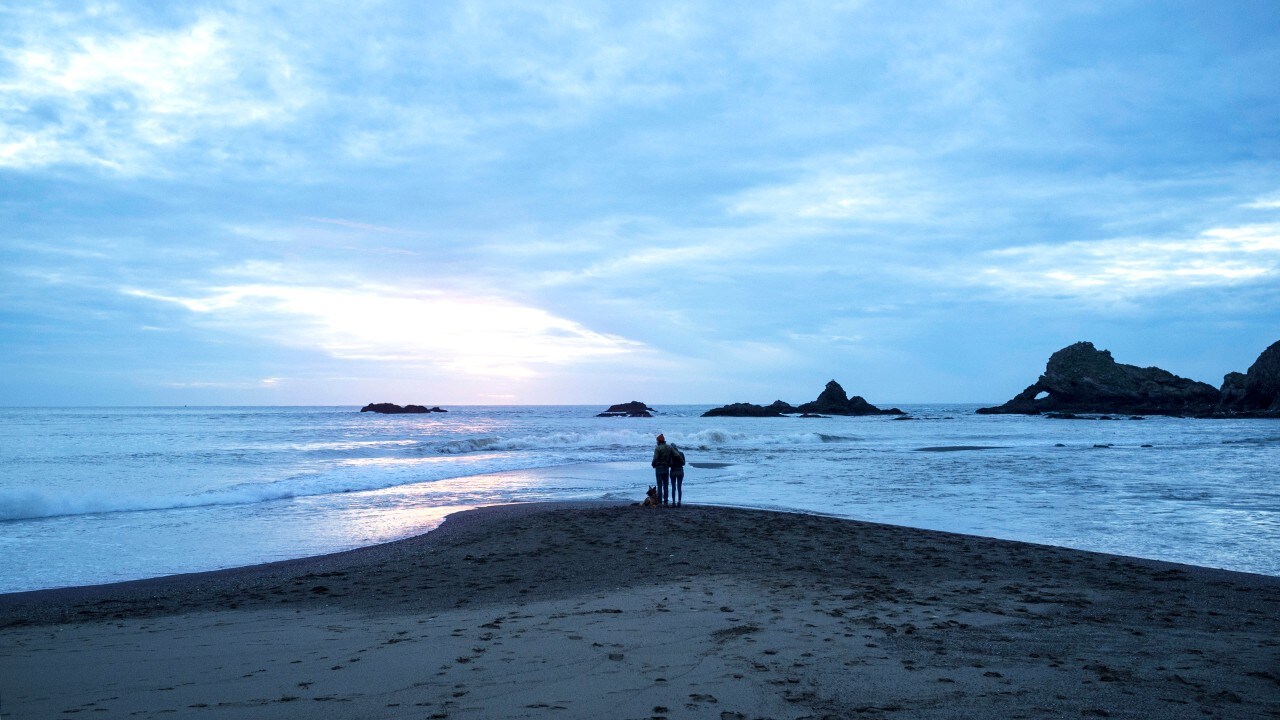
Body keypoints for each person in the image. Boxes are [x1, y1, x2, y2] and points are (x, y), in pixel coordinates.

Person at [651, 433, 675, 506]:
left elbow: (655, 458)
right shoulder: (669, 447)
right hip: (666, 468)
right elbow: (676, 454)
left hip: (659, 468)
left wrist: (653, 464)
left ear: (659, 441)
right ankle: (666, 502)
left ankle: (660, 501)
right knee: (666, 486)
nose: (657, 442)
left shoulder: (657, 448)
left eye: (657, 441)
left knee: (659, 485)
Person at [668, 441, 686, 507]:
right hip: (680, 471)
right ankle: (679, 501)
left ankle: (673, 501)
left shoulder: (670, 455)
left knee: (673, 487)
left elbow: (669, 465)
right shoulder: (681, 453)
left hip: (673, 471)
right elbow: (684, 463)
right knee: (679, 487)